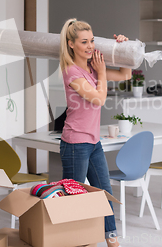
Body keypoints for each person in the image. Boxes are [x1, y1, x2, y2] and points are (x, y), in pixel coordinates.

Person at [59, 18, 131, 247]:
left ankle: (112, 241)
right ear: (71, 44)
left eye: (92, 41)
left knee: (104, 192)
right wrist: (101, 72)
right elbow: (99, 99)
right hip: (75, 144)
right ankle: (72, 241)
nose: (90, 46)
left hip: (92, 143)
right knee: (75, 197)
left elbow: (126, 75)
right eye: (84, 42)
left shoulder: (92, 68)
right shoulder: (72, 72)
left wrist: (123, 49)